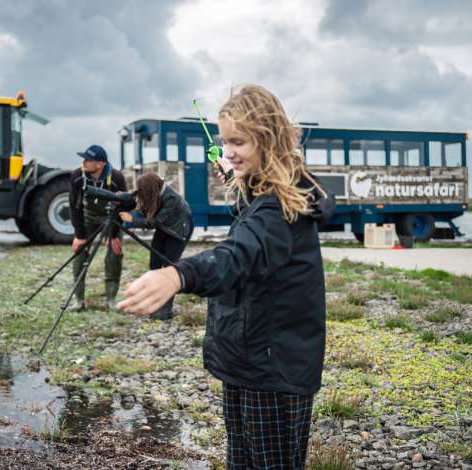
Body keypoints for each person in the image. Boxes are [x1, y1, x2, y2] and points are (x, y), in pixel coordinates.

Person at [118, 84, 330, 469]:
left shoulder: (279, 209)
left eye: (239, 142)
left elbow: (238, 256)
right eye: (224, 141)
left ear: (268, 140)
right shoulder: (262, 192)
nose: (229, 150)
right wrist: (240, 176)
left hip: (273, 372)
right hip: (250, 363)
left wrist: (178, 275)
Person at [119, 173, 194, 320]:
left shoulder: (170, 198)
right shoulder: (153, 193)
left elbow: (155, 222)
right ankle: (154, 302)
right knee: (154, 264)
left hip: (178, 232)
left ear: (150, 189)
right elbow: (143, 210)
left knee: (169, 268)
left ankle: (166, 309)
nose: (140, 194)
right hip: (165, 228)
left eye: (142, 190)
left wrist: (132, 220)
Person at [69, 144, 127, 310]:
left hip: (111, 218)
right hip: (87, 217)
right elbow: (74, 206)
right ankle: (79, 301)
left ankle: (111, 300)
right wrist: (79, 236)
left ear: (100, 164)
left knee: (115, 254)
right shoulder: (77, 176)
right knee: (79, 253)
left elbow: (123, 208)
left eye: (88, 159)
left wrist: (113, 235)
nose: (84, 162)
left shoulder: (117, 178)